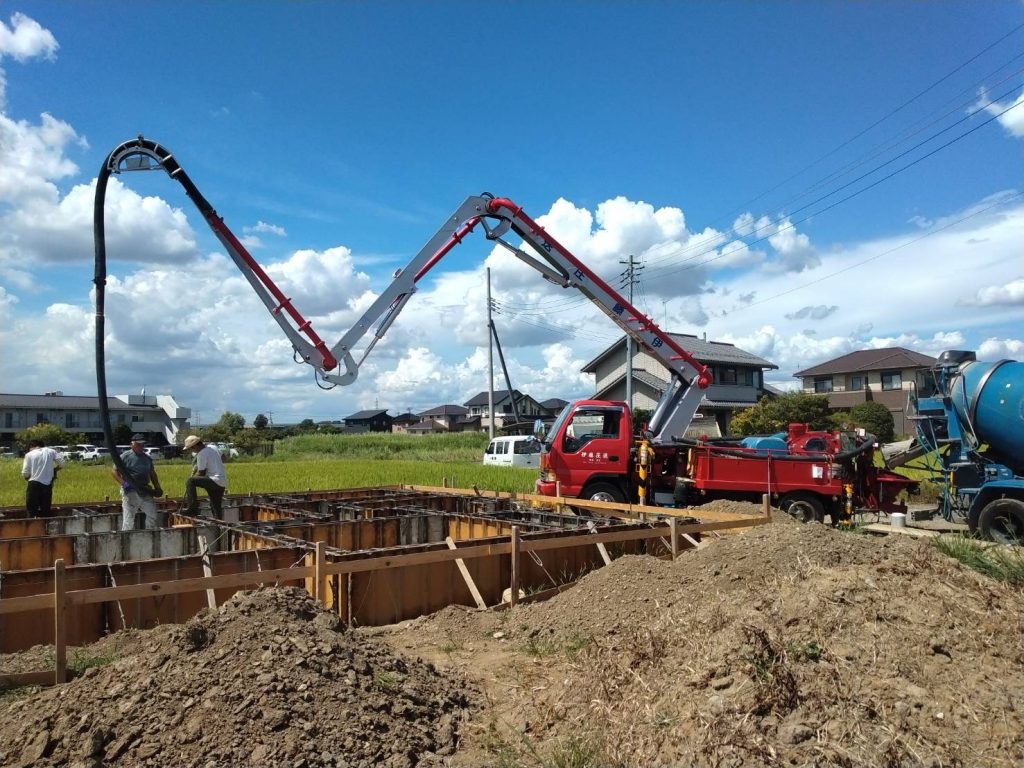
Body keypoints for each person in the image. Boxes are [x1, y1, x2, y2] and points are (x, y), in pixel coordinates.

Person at [112, 434, 163, 530]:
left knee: (152, 514)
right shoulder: (125, 456)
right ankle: (126, 538)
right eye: (138, 444)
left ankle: (150, 533)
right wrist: (124, 483)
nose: (141, 447)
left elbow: (152, 473)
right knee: (129, 518)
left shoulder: (147, 458)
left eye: (142, 444)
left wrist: (157, 487)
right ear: (132, 444)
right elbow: (114, 471)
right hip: (130, 491)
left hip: (145, 490)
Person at [183, 435, 227, 518]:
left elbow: (201, 473)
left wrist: (196, 474)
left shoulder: (201, 454)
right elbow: (224, 458)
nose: (191, 451)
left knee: (190, 481)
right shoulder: (213, 447)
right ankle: (218, 527)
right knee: (216, 508)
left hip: (213, 480)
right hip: (221, 482)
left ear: (195, 446)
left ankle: (193, 508)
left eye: (191, 448)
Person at [21, 439, 66, 517]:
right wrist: (55, 469)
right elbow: (62, 464)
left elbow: (25, 473)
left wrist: (28, 478)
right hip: (47, 485)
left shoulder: (29, 454)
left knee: (31, 509)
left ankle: (32, 526)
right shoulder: (51, 451)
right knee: (45, 509)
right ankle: (45, 527)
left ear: (32, 446)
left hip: (33, 484)